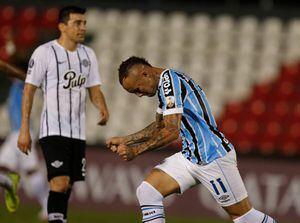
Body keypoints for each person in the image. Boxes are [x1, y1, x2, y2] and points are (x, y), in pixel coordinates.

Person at [106, 56, 277, 223]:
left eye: (137, 89)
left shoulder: (170, 82)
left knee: (244, 217)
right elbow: (159, 126)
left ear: (145, 74)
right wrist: (126, 140)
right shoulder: (164, 87)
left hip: (212, 157)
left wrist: (135, 150)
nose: (139, 95)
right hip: (190, 157)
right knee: (148, 191)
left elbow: (172, 131)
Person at [17, 6, 109, 223]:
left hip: (77, 133)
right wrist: (24, 128)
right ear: (62, 26)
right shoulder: (44, 52)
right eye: (78, 23)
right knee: (59, 181)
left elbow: (94, 89)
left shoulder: (89, 55)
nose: (83, 27)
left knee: (67, 184)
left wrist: (102, 107)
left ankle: (58, 218)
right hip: (53, 130)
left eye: (84, 23)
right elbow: (29, 90)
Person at [0, 57, 49, 220]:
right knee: (30, 171)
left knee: (32, 171)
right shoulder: (15, 86)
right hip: (16, 133)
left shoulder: (23, 84)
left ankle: (47, 206)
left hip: (23, 132)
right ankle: (11, 182)